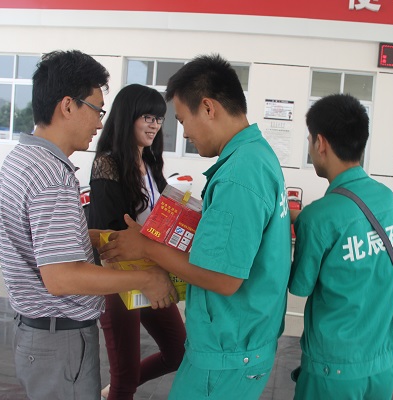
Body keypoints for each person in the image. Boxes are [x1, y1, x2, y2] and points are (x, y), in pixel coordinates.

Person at [99, 54, 292, 399]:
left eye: (182, 120)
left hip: (226, 353)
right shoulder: (258, 155)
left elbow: (223, 279)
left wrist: (145, 247)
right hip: (242, 342)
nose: (184, 133)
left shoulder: (237, 176)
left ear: (207, 107)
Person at [0, 50, 178, 400]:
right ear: (68, 105)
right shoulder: (52, 176)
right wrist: (145, 278)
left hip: (41, 334)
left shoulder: (23, 159)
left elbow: (40, 242)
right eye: (96, 109)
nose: (99, 123)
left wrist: (93, 236)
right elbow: (61, 277)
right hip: (59, 340)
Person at [288, 93, 393, 400]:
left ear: (321, 143)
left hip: (332, 373)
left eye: (310, 139)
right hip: (381, 366)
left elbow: (300, 286)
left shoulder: (319, 217)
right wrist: (301, 218)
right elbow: (351, 223)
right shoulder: (386, 199)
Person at [87, 84, 186, 400]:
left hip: (152, 273)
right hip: (120, 278)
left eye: (159, 118)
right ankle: (118, 389)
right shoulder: (108, 163)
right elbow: (107, 232)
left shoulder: (152, 164)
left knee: (178, 351)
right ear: (127, 117)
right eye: (147, 117)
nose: (155, 125)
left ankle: (114, 390)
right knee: (125, 376)